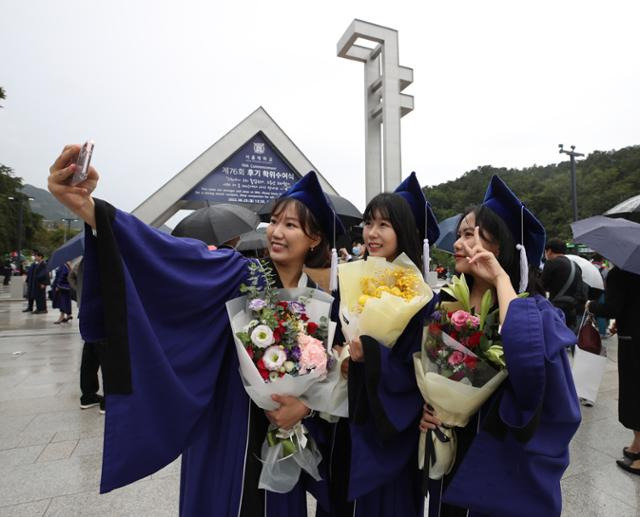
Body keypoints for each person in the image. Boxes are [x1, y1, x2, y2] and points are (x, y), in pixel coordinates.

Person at [48, 143, 344, 517]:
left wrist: (302, 407)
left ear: (315, 239)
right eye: (274, 222)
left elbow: (329, 372)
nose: (276, 233)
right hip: (228, 422)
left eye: (291, 225)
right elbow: (165, 253)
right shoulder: (238, 272)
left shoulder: (318, 300)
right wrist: (85, 207)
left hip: (283, 432)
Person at [421, 175, 581, 516]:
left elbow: (526, 359)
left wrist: (500, 279)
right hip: (450, 453)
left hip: (498, 462)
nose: (459, 244)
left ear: (501, 245)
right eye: (461, 234)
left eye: (470, 234)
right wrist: (427, 411)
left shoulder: (538, 313)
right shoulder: (447, 304)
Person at [322, 172, 439, 517]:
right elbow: (334, 337)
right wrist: (341, 355)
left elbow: (420, 366)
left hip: (392, 424)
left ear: (403, 231)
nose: (372, 233)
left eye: (384, 224)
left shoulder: (421, 297)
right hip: (350, 412)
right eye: (368, 223)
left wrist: (371, 356)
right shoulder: (350, 281)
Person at [587, 266, 640, 476]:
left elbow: (612, 308)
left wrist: (591, 305)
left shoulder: (623, 271)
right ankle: (637, 445)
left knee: (634, 390)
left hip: (634, 341)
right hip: (634, 333)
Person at [541, 238, 587, 332]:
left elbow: (542, 285)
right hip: (572, 310)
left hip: (557, 310)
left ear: (549, 251)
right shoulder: (575, 265)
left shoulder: (551, 263)